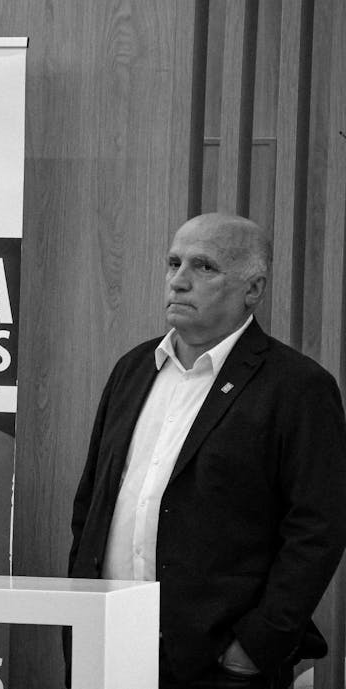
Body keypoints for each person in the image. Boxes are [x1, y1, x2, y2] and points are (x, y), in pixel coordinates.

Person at [69, 212, 346, 688]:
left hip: (218, 663)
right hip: (109, 645)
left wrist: (256, 646)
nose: (178, 281)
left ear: (252, 289)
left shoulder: (297, 387)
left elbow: (318, 529)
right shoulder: (132, 369)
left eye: (204, 267)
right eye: (173, 263)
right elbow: (91, 503)